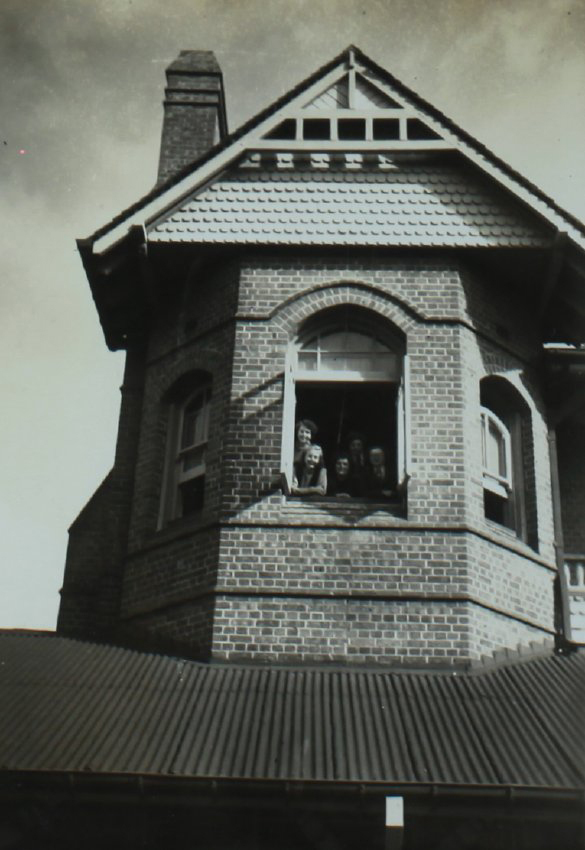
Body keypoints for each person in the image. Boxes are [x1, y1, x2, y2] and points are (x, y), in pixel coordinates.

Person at [347, 431, 367, 496]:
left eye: (358, 445)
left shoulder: (367, 460)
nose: (356, 448)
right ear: (349, 446)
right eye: (353, 445)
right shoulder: (346, 460)